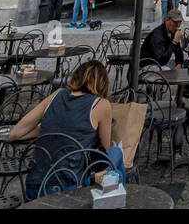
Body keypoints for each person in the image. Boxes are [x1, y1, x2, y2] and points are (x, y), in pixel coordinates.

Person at [9, 60, 117, 201]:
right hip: (69, 184)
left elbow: (15, 133)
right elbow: (104, 150)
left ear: (76, 76)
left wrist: (50, 129)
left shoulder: (56, 94)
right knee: (116, 154)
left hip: (35, 185)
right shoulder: (102, 105)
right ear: (103, 83)